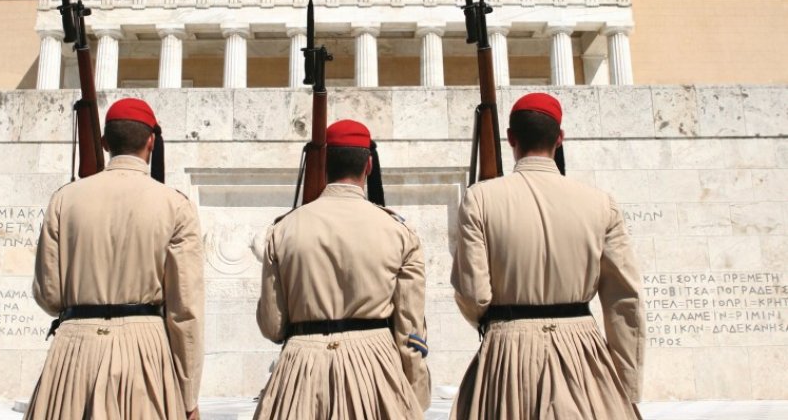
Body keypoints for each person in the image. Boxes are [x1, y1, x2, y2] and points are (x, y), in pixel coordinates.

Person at [450, 92, 645, 420]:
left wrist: (494, 323)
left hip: (507, 352)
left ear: (511, 138)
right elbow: (625, 300)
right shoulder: (600, 203)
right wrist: (625, 387)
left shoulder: (479, 199)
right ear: (560, 138)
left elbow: (474, 295)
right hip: (582, 352)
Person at [25, 98, 204, 420]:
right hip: (144, 350)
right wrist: (188, 395)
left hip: (74, 350)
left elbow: (49, 295)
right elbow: (185, 311)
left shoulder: (64, 199)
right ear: (151, 141)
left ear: (105, 143)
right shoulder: (175, 205)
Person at [254, 119, 431, 420]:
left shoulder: (282, 230)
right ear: (369, 166)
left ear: (324, 165)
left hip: (301, 371)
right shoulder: (399, 232)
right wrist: (413, 395)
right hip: (375, 369)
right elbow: (409, 329)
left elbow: (273, 326)